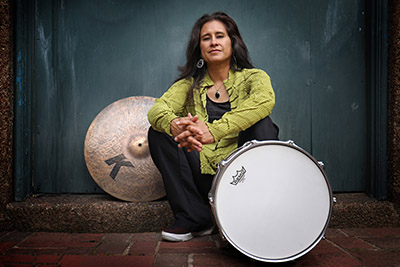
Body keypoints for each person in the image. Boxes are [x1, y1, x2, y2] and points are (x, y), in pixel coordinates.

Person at [147, 12, 279, 242]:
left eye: (220, 36)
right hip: (203, 171)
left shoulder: (254, 77)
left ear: (232, 42)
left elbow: (264, 101)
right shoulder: (187, 85)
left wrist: (214, 131)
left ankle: (255, 213)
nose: (214, 42)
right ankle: (195, 218)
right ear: (199, 48)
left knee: (262, 123)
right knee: (159, 131)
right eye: (206, 38)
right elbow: (157, 109)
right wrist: (174, 124)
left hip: (244, 174)